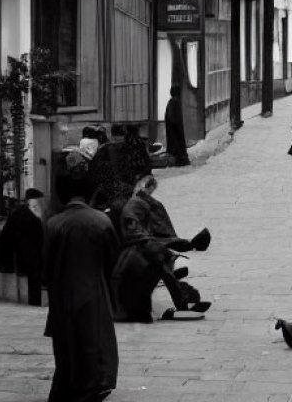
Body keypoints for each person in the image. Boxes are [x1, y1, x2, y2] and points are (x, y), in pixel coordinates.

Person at [43, 167, 120, 402]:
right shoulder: (101, 221)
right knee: (93, 346)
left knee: (66, 350)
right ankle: (92, 388)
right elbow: (113, 261)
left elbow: (45, 267)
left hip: (62, 296)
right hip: (94, 294)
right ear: (89, 192)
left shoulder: (53, 224)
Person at [112, 174, 211, 322]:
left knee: (159, 257)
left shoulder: (133, 209)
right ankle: (180, 302)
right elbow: (136, 234)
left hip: (131, 305)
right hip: (130, 309)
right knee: (158, 258)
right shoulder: (132, 212)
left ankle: (181, 301)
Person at [0, 188, 45, 305]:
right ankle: (35, 302)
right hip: (24, 248)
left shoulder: (20, 212)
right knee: (34, 274)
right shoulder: (28, 214)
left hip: (11, 245)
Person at [163, 86, 190, 167]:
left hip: (172, 128)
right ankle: (180, 161)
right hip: (175, 128)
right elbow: (174, 117)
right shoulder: (175, 102)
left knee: (174, 146)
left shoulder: (171, 102)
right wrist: (177, 125)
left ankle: (178, 160)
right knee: (178, 145)